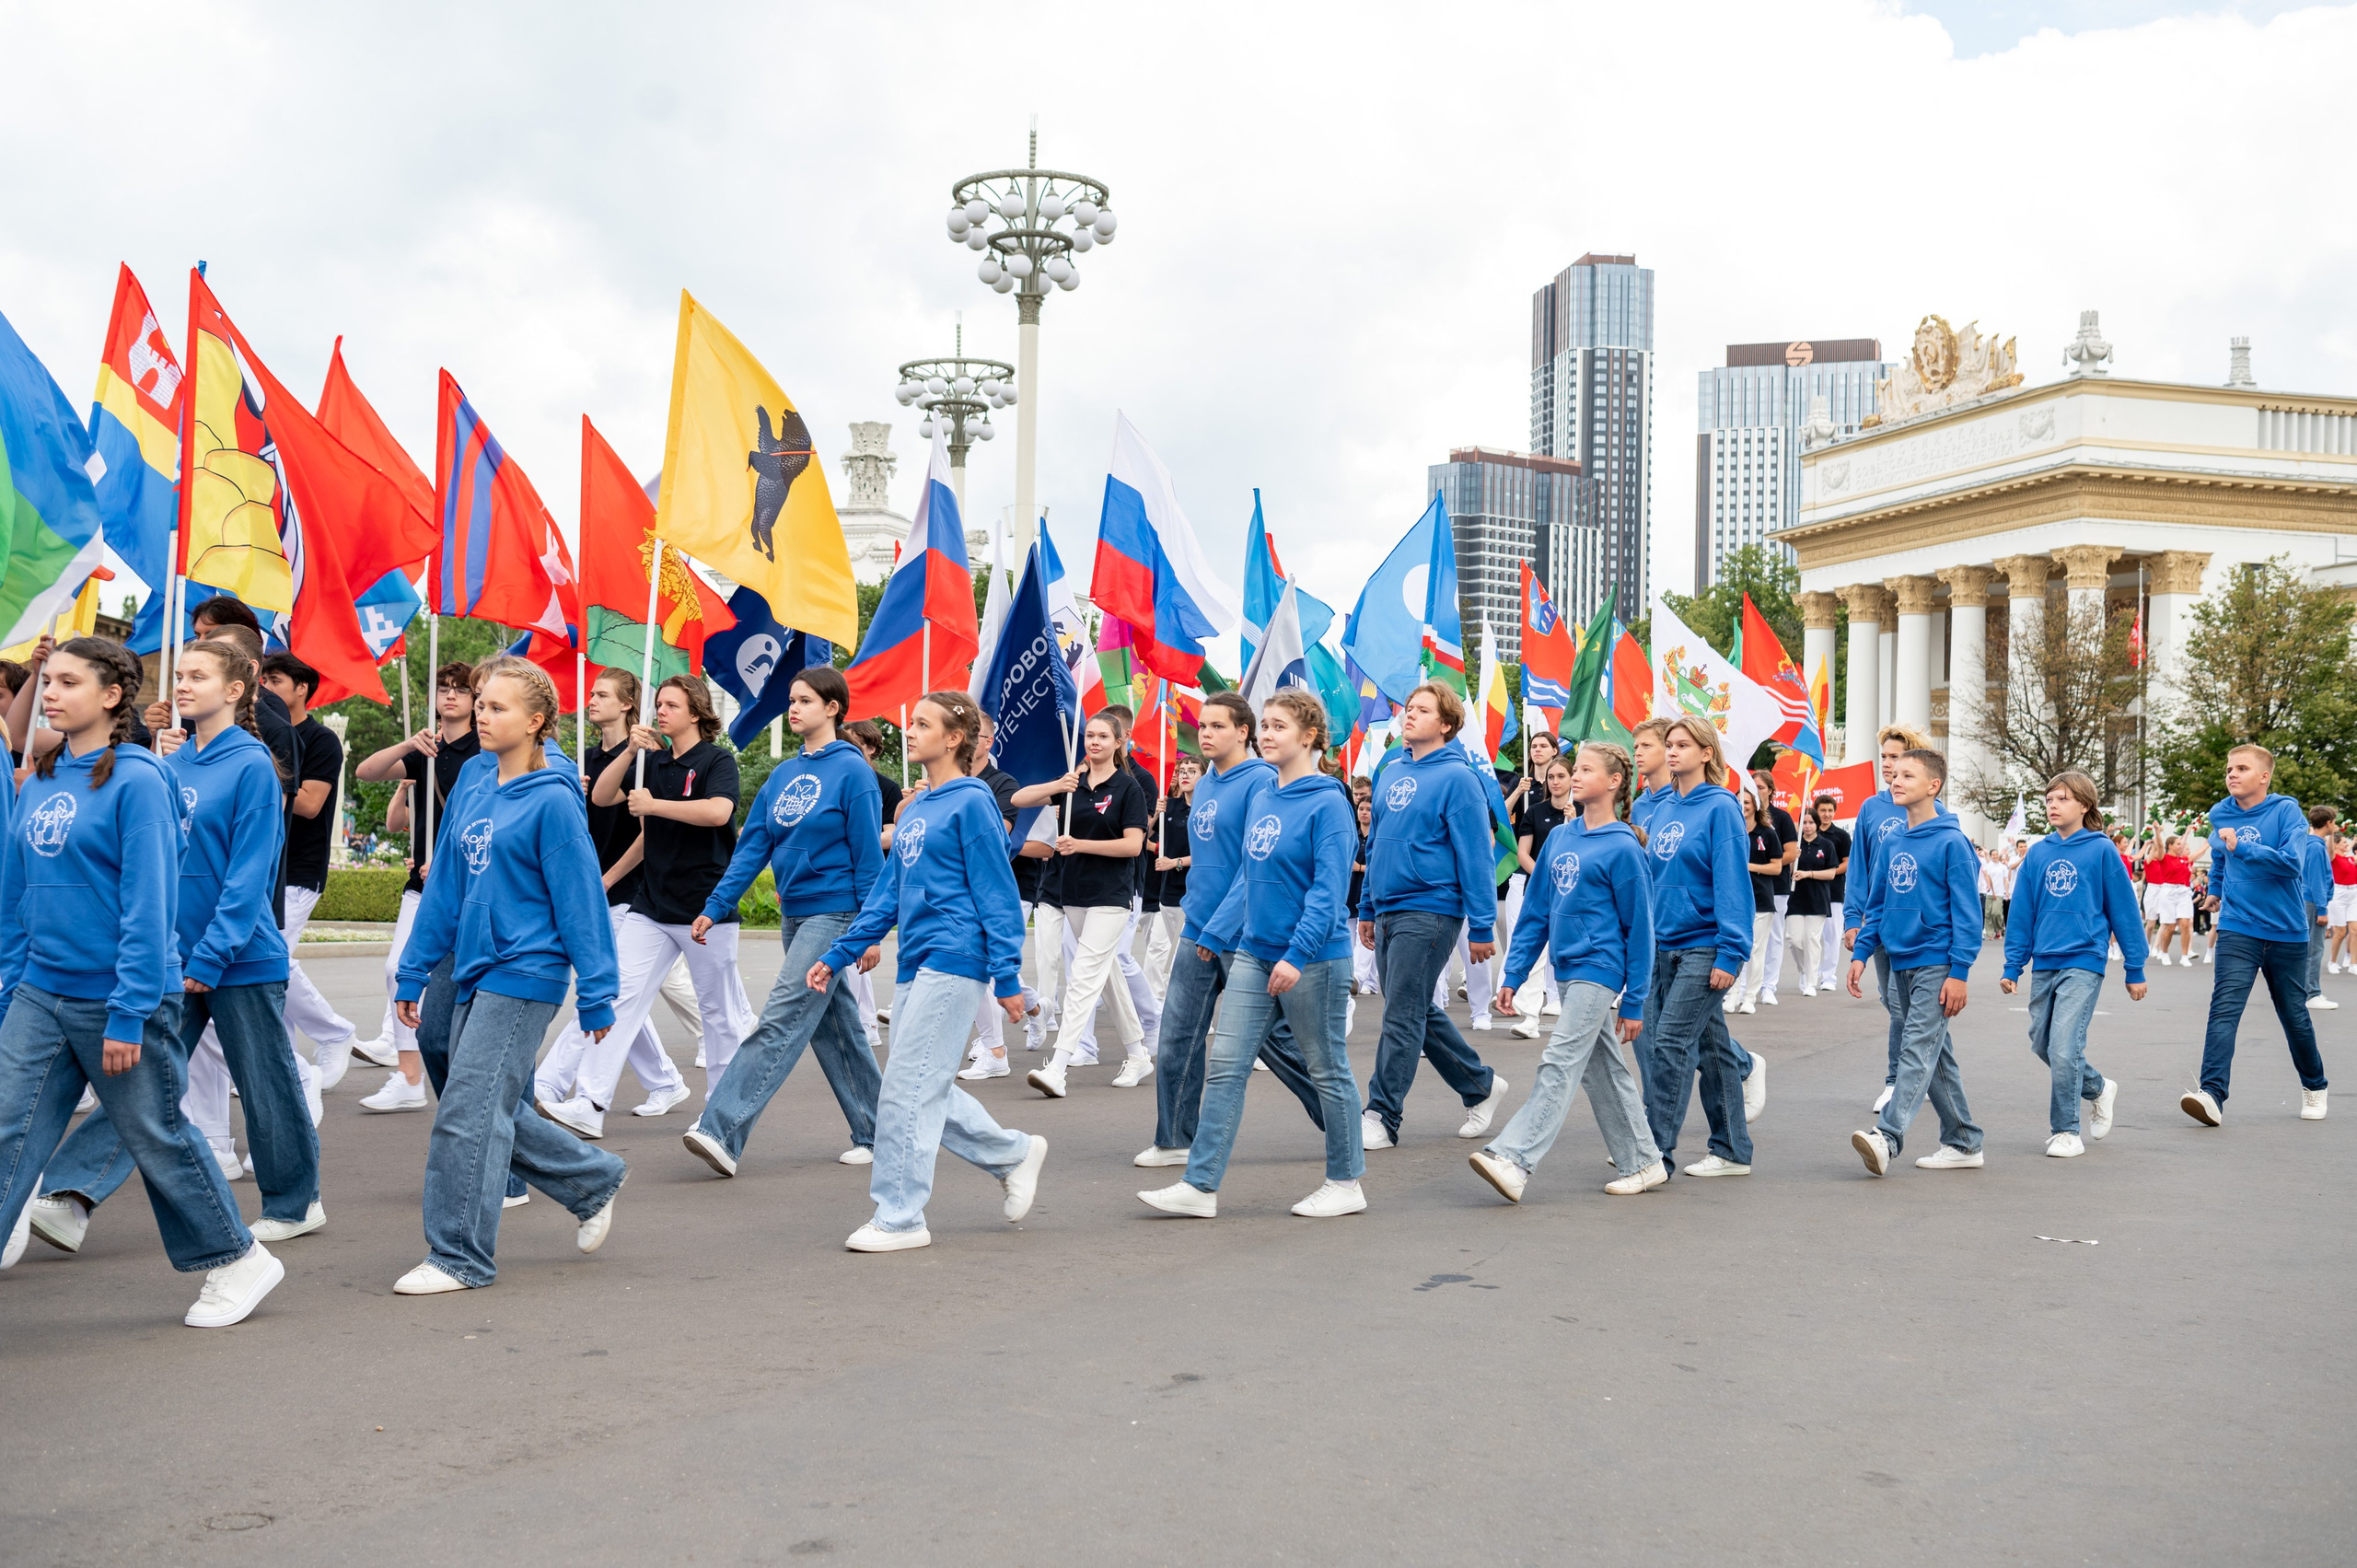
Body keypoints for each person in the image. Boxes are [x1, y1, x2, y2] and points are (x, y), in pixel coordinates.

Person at [0, 637, 286, 1326]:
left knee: (156, 1134)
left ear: (110, 696)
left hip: (118, 995)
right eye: (51, 682)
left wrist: (130, 1009)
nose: (52, 692)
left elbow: (150, 904)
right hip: (42, 990)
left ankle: (238, 1257)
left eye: (69, 682)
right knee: (9, 1126)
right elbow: (16, 900)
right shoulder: (37, 777)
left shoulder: (137, 779)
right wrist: (10, 989)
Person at [389, 663, 626, 1294]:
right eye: (481, 704)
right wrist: (412, 970)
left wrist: (599, 993)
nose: (482, 715)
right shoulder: (470, 776)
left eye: (497, 707)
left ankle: (458, 1255)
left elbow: (581, 899)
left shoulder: (552, 796)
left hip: (528, 968)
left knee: (468, 1109)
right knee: (468, 1083)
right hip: (466, 962)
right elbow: (444, 882)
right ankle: (589, 1177)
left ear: (537, 720)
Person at [809, 691, 1047, 1253]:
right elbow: (888, 892)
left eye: (921, 724)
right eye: (909, 722)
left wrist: (1007, 976)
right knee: (916, 1085)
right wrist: (842, 951)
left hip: (956, 956)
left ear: (954, 738)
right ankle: (1011, 1152)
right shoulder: (916, 807)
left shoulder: (973, 803)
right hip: (916, 961)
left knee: (906, 1092)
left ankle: (899, 1216)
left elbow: (996, 892)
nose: (909, 732)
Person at [1138, 691, 1364, 1219]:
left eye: (1278, 726)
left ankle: (1346, 1181)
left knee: (1327, 1068)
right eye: (1263, 724)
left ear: (1308, 736)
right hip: (1253, 954)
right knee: (1225, 1066)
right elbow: (1248, 877)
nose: (1265, 733)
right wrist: (1213, 935)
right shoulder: (1266, 797)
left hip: (1312, 958)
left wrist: (1297, 952)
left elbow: (1328, 892)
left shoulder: (1329, 800)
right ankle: (1200, 1185)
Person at [680, 666, 886, 1178]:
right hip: (795, 915)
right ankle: (881, 1131)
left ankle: (721, 1128)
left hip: (836, 913)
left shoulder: (854, 771)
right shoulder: (783, 775)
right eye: (791, 700)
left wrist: (869, 930)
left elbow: (868, 857)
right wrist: (714, 903)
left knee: (782, 1015)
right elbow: (753, 848)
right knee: (835, 1028)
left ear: (833, 708)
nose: (793, 708)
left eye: (805, 700)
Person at [543, 676, 752, 1140]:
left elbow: (718, 812)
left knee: (719, 1017)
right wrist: (628, 752)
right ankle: (589, 1102)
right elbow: (601, 796)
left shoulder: (716, 760)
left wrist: (655, 805)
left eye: (671, 705)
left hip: (705, 907)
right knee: (616, 997)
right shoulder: (650, 762)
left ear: (696, 712)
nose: (661, 712)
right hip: (651, 906)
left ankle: (722, 1120)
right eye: (658, 704)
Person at [1473, 740, 1666, 1202]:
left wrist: (1635, 1000)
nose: (1573, 776)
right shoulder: (1560, 836)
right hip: (1566, 968)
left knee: (1559, 1060)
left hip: (1600, 969)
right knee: (1602, 1069)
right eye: (1572, 769)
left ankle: (1515, 1159)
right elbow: (1537, 912)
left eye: (1585, 770)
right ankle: (1644, 1161)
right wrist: (1514, 975)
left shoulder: (1623, 847)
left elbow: (1641, 930)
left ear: (1615, 782)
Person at [529, 668, 703, 1122]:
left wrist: (608, 879)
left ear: (628, 704)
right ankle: (666, 1081)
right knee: (621, 993)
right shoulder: (584, 759)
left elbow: (651, 835)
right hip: (590, 889)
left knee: (604, 990)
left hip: (631, 890)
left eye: (602, 694)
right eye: (590, 692)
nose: (591, 700)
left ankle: (549, 1083)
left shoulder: (649, 756)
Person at [1356, 683, 1509, 1150]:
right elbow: (1375, 844)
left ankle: (1382, 1115)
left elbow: (1476, 855)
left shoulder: (1459, 778)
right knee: (1415, 1007)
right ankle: (1480, 1084)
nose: (1409, 715)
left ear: (1445, 724)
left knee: (1401, 1013)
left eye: (1422, 710)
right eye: (1409, 708)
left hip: (1432, 908)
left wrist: (1482, 924)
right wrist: (1366, 905)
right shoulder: (1390, 771)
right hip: (1387, 908)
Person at [1847, 749, 1984, 1176]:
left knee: (1917, 1046)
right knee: (1933, 1051)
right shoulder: (1892, 841)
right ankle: (1963, 1141)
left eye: (1909, 774)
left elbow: (1968, 916)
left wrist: (1959, 973)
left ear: (1933, 786)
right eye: (1895, 774)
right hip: (1900, 961)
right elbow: (1880, 904)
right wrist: (1861, 953)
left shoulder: (1953, 842)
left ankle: (1887, 1137)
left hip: (1937, 962)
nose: (1896, 780)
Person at [352, 660, 479, 1111]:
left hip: (468, 881)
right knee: (397, 970)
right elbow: (365, 772)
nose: (450, 696)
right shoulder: (426, 748)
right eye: (443, 688)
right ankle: (409, 1076)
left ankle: (467, 1071)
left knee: (467, 982)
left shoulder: (485, 750)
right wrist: (410, 743)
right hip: (421, 883)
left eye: (460, 690)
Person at [2001, 771, 2146, 1158]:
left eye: (2062, 799)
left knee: (2065, 1047)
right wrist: (2012, 966)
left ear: (2084, 805)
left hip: (2084, 959)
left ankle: (2066, 1131)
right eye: (2049, 799)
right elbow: (2022, 914)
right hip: (2045, 961)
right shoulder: (2039, 853)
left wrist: (2135, 968)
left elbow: (2125, 912)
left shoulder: (2101, 850)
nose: (2052, 805)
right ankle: (2099, 1087)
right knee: (2042, 1043)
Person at [1632, 716, 1754, 1179]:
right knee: (1714, 1050)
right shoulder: (1661, 808)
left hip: (1704, 946)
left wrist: (1731, 951)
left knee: (1670, 1045)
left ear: (1707, 753)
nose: (1673, 750)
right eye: (1670, 744)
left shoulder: (1720, 807)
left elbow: (1731, 883)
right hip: (1664, 946)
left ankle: (1652, 1155)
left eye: (1684, 744)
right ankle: (1732, 1150)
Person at [2184, 745, 2330, 1125]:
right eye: (2229, 768)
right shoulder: (2220, 812)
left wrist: (2241, 845)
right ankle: (2211, 1095)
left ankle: (2315, 1085)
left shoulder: (2286, 812)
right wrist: (2215, 888)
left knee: (2293, 1015)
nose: (2231, 774)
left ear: (2263, 777)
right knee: (2224, 1009)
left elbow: (2292, 864)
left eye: (2242, 768)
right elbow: (2219, 856)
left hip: (2286, 932)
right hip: (2238, 927)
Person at [1016, 711, 1150, 1096]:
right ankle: (1139, 1054)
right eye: (1090, 735)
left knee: (1085, 976)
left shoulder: (1129, 788)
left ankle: (1057, 1067)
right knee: (1107, 976)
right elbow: (1018, 797)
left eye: (1103, 736)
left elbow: (1132, 845)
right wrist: (1058, 783)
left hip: (1111, 896)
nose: (1094, 742)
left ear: (1118, 742)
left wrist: (1080, 845)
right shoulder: (1072, 785)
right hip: (1073, 896)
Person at [254, 654, 363, 1088]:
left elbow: (310, 803)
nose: (264, 687)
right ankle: (279, 1066)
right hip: (258, 864)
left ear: (301, 688)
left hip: (297, 868)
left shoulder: (320, 740)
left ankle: (333, 1031)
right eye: (260, 679)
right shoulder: (251, 731)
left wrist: (257, 776)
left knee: (270, 959)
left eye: (275, 680)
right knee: (264, 972)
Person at [1844, 725, 1947, 1113]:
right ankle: (1915, 1072)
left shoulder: (1935, 813)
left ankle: (1896, 1081)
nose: (1887, 765)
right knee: (1897, 1006)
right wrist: (1855, 919)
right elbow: (1860, 869)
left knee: (1905, 1008)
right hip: (1879, 921)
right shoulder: (1871, 808)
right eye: (1884, 757)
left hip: (1916, 928)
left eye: (1896, 759)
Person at [1509, 751, 1574, 1038]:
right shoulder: (1535, 811)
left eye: (1561, 776)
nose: (1556, 781)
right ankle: (1530, 1017)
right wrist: (1544, 876)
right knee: (1534, 954)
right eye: (1551, 777)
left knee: (1568, 954)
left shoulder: (1583, 812)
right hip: (1539, 889)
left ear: (1573, 779)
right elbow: (1523, 852)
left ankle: (1572, 1014)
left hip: (1573, 896)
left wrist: (1573, 822)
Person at [1143, 755, 1199, 999]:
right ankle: (1155, 1002)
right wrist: (1155, 813)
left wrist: (1175, 862)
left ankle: (1189, 1004)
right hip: (1168, 893)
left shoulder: (1208, 809)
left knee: (1183, 953)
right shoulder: (1170, 806)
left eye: (1192, 771)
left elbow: (1211, 853)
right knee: (1158, 949)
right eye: (1181, 770)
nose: (1184, 775)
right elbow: (1141, 834)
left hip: (1194, 892)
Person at [1747, 766, 1800, 1005]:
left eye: (1761, 787)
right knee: (1751, 940)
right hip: (1747, 887)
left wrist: (1766, 860)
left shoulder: (1782, 818)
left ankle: (1769, 986)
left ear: (1770, 791)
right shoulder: (1743, 816)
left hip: (1775, 886)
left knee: (1774, 937)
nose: (1757, 791)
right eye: (1753, 787)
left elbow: (1789, 853)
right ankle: (1746, 986)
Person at [1730, 788, 1781, 1015]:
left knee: (1756, 950)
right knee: (1733, 949)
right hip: (1734, 900)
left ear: (1755, 805)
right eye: (1740, 801)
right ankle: (1732, 996)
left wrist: (1751, 867)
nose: (1744, 805)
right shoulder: (1730, 830)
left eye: (1747, 802)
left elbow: (1777, 867)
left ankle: (1750, 997)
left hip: (1761, 900)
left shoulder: (1767, 833)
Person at [1788, 811, 1836, 997]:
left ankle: (1810, 982)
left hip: (1817, 899)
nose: (1807, 826)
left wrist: (1809, 874)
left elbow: (1831, 873)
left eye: (1810, 822)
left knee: (1811, 940)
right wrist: (1793, 859)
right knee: (1794, 940)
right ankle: (1804, 971)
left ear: (1816, 824)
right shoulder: (1796, 845)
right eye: (1804, 823)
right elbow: (1790, 872)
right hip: (1796, 899)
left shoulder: (1826, 845)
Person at [1812, 795, 1852, 993]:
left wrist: (1829, 872)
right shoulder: (1808, 832)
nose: (1827, 814)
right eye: (1823, 811)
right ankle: (1811, 973)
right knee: (1806, 938)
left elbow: (1847, 862)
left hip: (1834, 892)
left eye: (1830, 811)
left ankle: (1828, 977)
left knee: (1832, 936)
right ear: (1816, 811)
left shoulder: (1841, 836)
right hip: (1810, 892)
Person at [2302, 806, 2339, 1011]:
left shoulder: (2310, 843)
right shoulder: (2316, 846)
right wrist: (2323, 909)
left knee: (2310, 948)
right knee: (2314, 949)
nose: (2336, 825)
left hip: (2309, 900)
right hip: (2314, 902)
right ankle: (2311, 993)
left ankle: (2309, 991)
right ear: (2328, 823)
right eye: (2334, 821)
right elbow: (2317, 880)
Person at [2142, 833, 2196, 965]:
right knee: (2160, 925)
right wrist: (2156, 832)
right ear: (2169, 846)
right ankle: (2155, 948)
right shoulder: (2156, 860)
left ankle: (2183, 956)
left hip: (2177, 891)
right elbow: (2160, 846)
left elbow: (2184, 847)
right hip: (2159, 891)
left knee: (2184, 923)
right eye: (2177, 844)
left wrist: (2189, 833)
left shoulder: (2180, 859)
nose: (2180, 846)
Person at [1348, 792, 1378, 997]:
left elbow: (1377, 865)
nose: (1364, 813)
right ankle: (1359, 977)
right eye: (1361, 809)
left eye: (1368, 809)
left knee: (1366, 939)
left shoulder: (1376, 835)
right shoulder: (1352, 835)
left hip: (1369, 893)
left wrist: (1359, 867)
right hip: (1350, 892)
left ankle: (1360, 977)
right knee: (1351, 938)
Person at [2328, 832, 2357, 974]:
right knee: (2340, 933)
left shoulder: (2350, 859)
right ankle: (2332, 961)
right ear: (2337, 844)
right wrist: (2331, 833)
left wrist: (2354, 841)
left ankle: (2353, 964)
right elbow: (2331, 849)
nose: (2347, 844)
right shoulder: (2334, 858)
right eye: (2344, 842)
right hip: (2339, 895)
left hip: (2353, 894)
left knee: (2355, 930)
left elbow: (2350, 850)